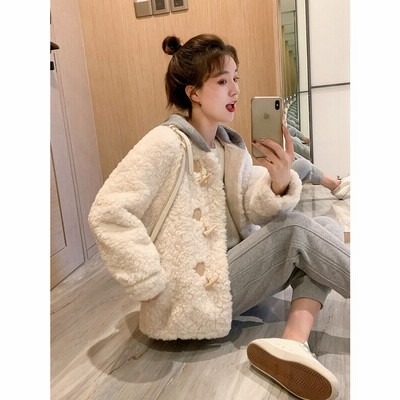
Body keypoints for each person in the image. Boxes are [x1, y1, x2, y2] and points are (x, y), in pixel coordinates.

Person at [88, 34, 350, 400]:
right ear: (193, 92)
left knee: (325, 226)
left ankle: (293, 342)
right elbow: (108, 211)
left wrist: (278, 181)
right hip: (191, 297)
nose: (235, 90)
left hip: (228, 278)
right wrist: (150, 283)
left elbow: (252, 209)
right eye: (222, 81)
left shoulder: (228, 146)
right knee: (296, 230)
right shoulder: (166, 142)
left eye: (236, 78)